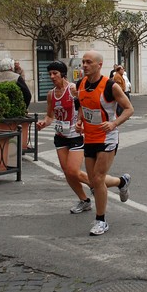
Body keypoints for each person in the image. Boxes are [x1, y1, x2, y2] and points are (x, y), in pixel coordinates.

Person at [36, 61, 131, 215]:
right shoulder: (51, 94)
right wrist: (43, 123)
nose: (52, 77)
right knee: (68, 172)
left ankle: (106, 184)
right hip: (60, 136)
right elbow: (49, 116)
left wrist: (81, 121)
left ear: (62, 74)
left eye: (55, 73)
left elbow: (84, 106)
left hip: (76, 135)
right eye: (50, 74)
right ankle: (85, 200)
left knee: (74, 171)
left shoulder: (74, 88)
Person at [77, 50, 134, 236]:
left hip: (107, 138)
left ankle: (101, 220)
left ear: (99, 65)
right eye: (83, 62)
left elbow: (129, 108)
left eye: (89, 62)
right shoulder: (81, 84)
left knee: (99, 178)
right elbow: (83, 107)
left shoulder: (110, 86)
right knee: (93, 181)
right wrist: (79, 122)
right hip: (90, 138)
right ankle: (121, 181)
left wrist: (114, 123)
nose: (85, 65)